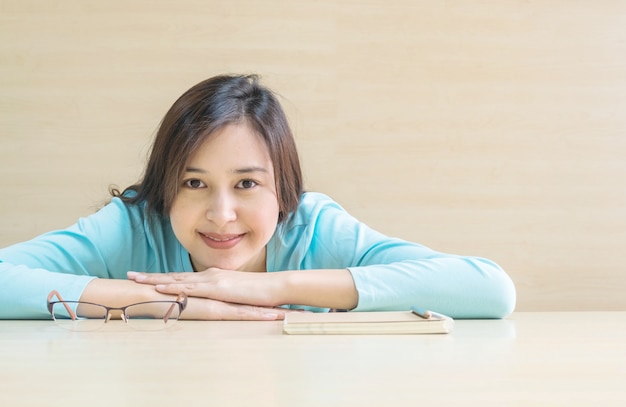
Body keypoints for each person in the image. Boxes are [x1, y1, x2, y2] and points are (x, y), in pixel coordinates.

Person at [0, 74, 516, 320]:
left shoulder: (313, 227)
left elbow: (489, 290)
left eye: (247, 184)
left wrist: (270, 286)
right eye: (193, 182)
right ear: (164, 186)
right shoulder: (134, 224)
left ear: (282, 188)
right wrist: (170, 302)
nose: (221, 215)